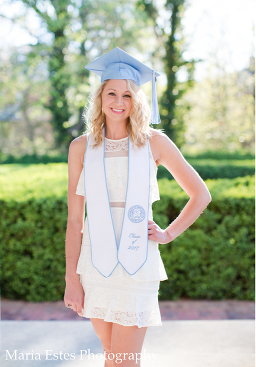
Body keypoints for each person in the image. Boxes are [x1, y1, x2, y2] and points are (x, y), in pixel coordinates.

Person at [63, 47, 211, 366]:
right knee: (112, 358)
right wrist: (71, 279)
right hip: (94, 264)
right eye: (112, 93)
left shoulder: (153, 142)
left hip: (136, 261)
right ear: (100, 98)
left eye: (127, 95)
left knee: (124, 361)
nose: (118, 102)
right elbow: (75, 219)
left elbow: (201, 194)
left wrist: (168, 233)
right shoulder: (80, 148)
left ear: (137, 100)